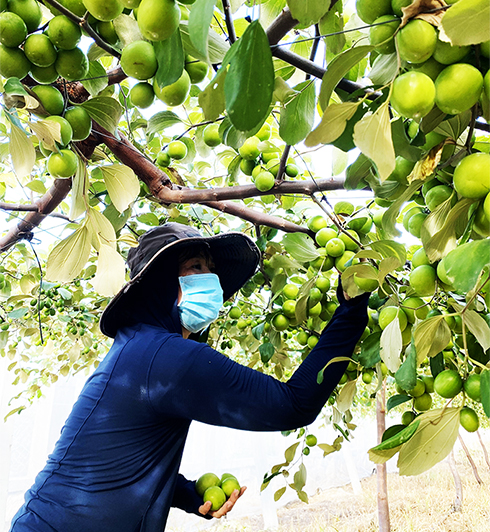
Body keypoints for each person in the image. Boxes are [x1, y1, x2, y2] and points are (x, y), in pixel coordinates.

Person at [10, 222, 369, 531]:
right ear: (160, 284)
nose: (210, 280)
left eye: (210, 270)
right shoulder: (166, 358)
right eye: (195, 267)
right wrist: (352, 311)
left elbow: (103, 450)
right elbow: (294, 405)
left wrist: (184, 493)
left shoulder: (136, 349)